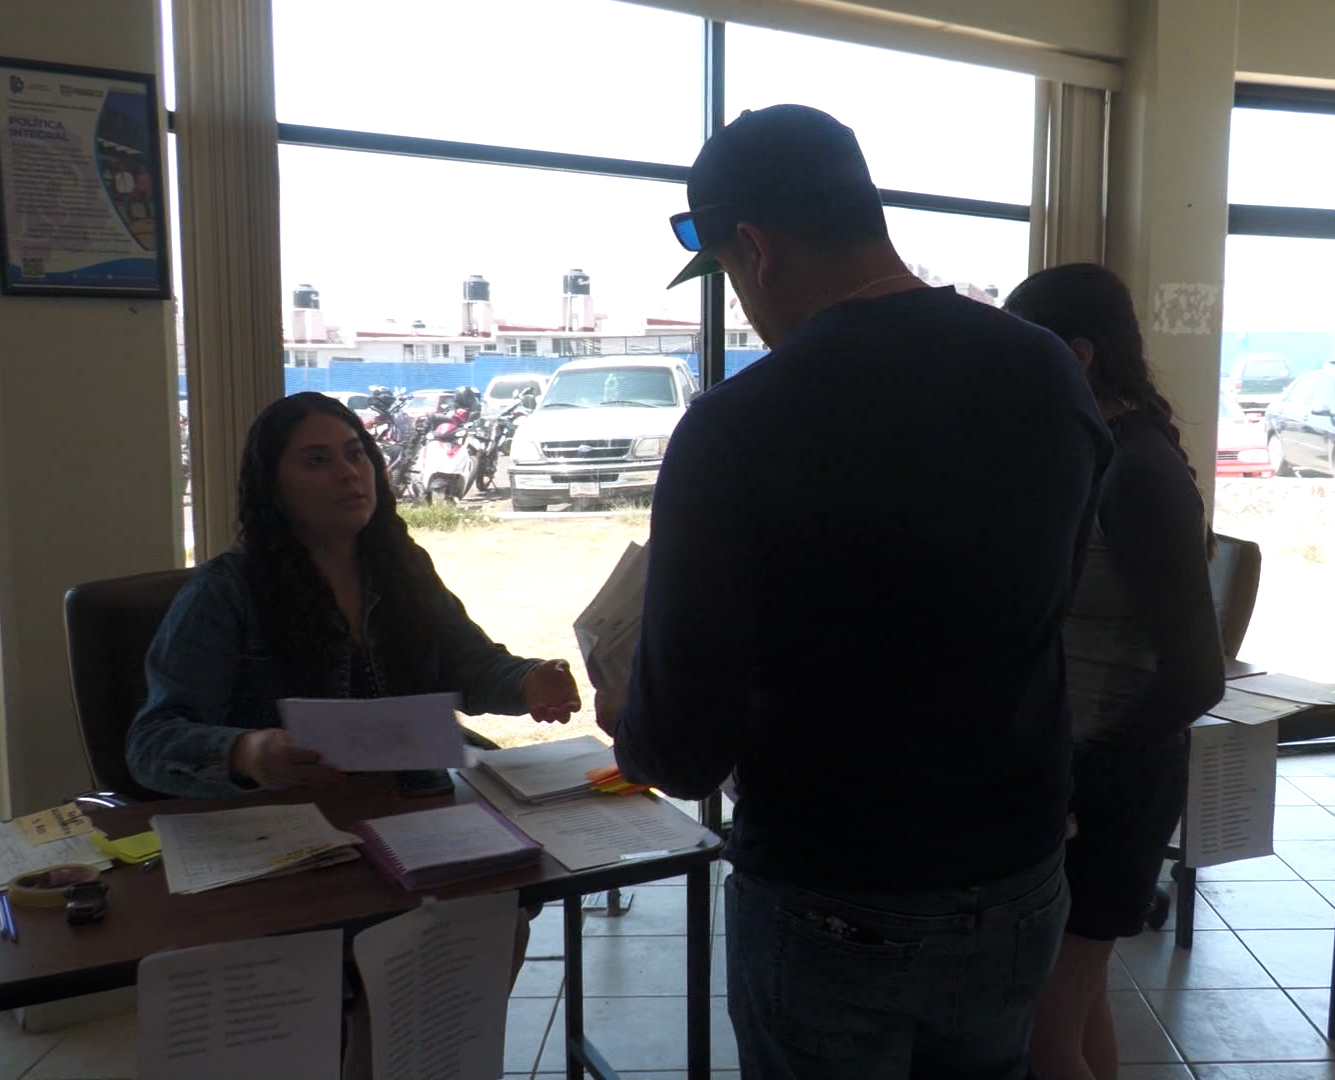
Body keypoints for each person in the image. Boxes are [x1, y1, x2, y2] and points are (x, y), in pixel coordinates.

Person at [597, 104, 1112, 1079]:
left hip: (834, 885)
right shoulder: (1048, 372)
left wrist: (630, 711)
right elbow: (1046, 608)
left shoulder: (738, 427)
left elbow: (683, 750)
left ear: (756, 249)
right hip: (1018, 868)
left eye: (732, 273)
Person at [128, 392, 581, 1079]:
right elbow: (152, 741)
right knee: (401, 951)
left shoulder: (400, 565)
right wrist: (249, 752)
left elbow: (468, 664)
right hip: (296, 843)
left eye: (355, 454)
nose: (348, 473)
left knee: (496, 919)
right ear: (272, 486)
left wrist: (526, 682)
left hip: (415, 820)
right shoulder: (226, 592)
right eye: (317, 461)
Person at [1004, 264, 1226, 1080]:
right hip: (1080, 772)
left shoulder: (1141, 475)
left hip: (1111, 788)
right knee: (1078, 1004)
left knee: (1046, 1033)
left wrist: (1076, 777)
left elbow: (1196, 677)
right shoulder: (1094, 451)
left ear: (1078, 355)